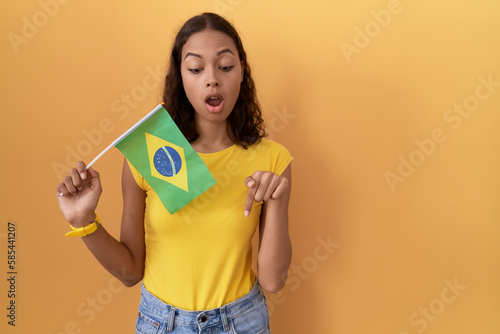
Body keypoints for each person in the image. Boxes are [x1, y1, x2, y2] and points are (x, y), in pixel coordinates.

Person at [56, 12, 292, 334]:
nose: (212, 79)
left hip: (241, 322)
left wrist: (276, 199)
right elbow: (130, 272)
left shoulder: (272, 158)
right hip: (161, 323)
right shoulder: (151, 153)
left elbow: (272, 280)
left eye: (225, 66)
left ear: (242, 73)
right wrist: (83, 221)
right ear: (181, 76)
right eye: (196, 69)